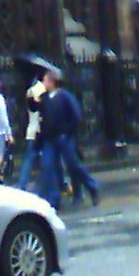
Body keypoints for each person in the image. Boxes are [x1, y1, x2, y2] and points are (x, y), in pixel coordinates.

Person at [38, 68, 99, 210]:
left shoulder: (65, 96)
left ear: (52, 82)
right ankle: (53, 199)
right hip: (50, 139)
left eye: (45, 80)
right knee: (48, 167)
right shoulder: (45, 98)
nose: (43, 83)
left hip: (63, 137)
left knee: (73, 165)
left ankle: (92, 188)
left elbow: (76, 115)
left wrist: (68, 132)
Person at [16, 77, 47, 192]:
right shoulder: (42, 90)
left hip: (31, 130)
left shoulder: (30, 91)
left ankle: (22, 184)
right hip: (40, 131)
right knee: (47, 158)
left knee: (29, 159)